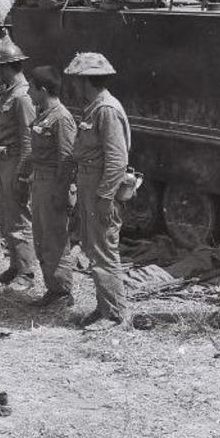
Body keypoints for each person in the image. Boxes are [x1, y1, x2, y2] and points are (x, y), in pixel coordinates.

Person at [64, 52, 131, 330]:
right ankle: (104, 307)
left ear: (85, 81)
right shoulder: (94, 107)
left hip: (100, 190)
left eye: (76, 80)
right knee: (94, 248)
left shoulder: (106, 110)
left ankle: (114, 315)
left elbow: (117, 159)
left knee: (104, 251)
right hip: (90, 186)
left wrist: (105, 197)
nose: (74, 86)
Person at [24, 66, 77, 307]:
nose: (28, 92)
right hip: (41, 182)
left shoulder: (61, 118)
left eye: (31, 88)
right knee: (41, 237)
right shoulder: (44, 114)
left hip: (54, 184)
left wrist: (60, 193)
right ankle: (52, 288)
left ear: (43, 90)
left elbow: (66, 159)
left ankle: (62, 292)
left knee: (54, 239)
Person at [0, 41, 36, 291]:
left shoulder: (22, 97)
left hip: (15, 163)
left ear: (6, 68)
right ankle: (15, 266)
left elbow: (28, 137)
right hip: (4, 162)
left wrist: (23, 173)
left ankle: (26, 272)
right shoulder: (9, 93)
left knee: (18, 219)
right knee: (7, 217)